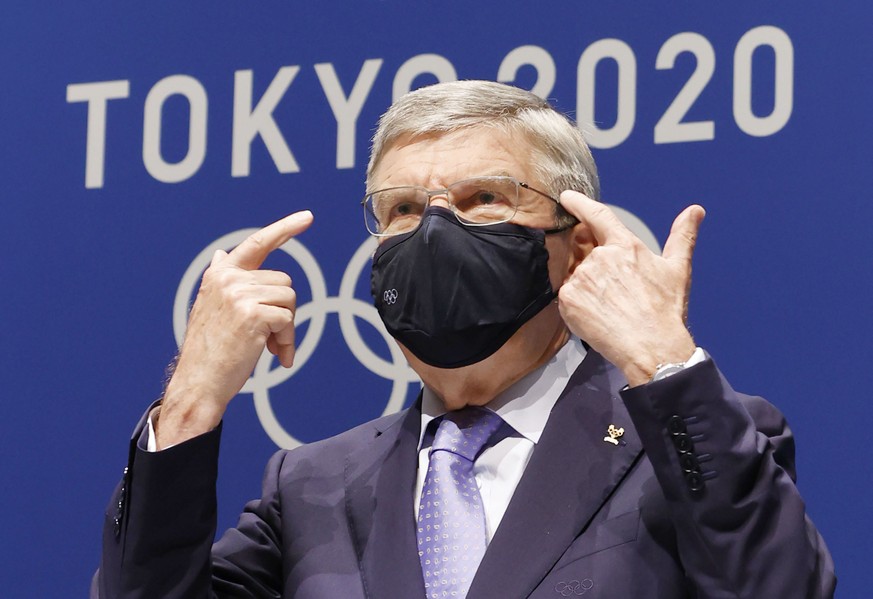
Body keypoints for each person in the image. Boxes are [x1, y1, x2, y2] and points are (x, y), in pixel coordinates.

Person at [93, 80, 836, 598]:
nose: (437, 232)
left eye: (483, 198)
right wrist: (191, 399)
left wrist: (661, 362)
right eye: (405, 209)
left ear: (576, 245)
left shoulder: (687, 439)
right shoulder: (313, 486)